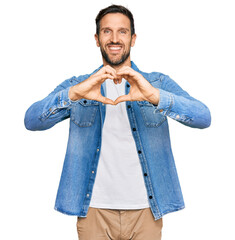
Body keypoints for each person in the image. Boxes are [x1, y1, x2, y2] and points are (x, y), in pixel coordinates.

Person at [24, 4, 211, 240]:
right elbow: (31, 120)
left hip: (146, 211)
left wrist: (154, 96)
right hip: (93, 211)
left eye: (122, 31)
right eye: (107, 31)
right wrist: (73, 94)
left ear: (133, 39)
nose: (114, 38)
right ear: (96, 38)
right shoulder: (80, 85)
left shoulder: (157, 83)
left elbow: (204, 117)